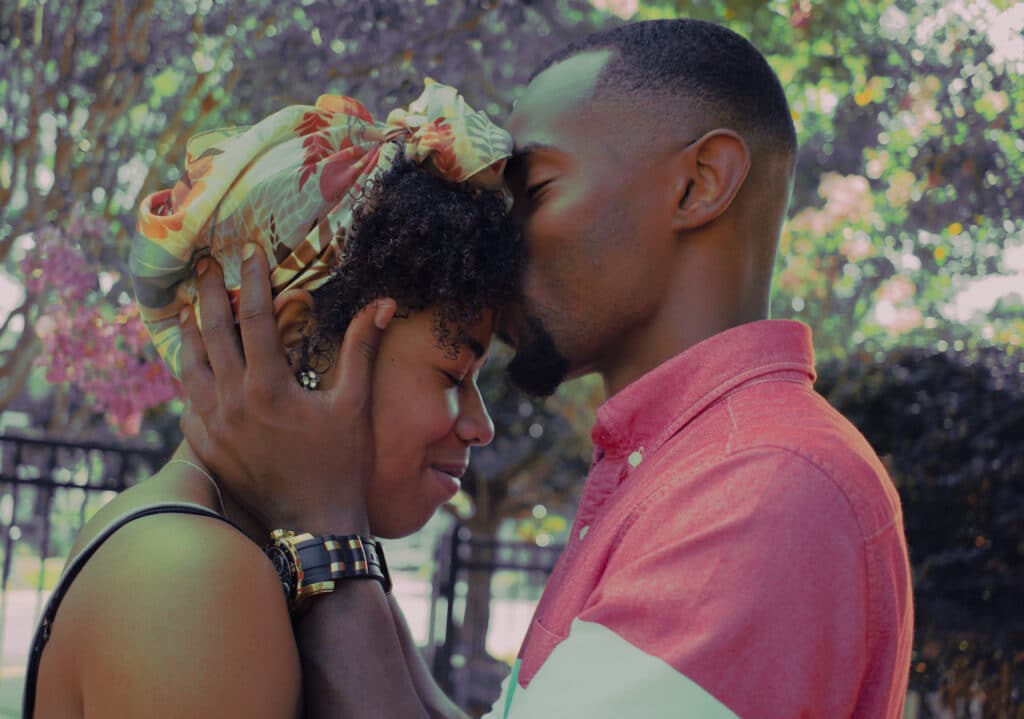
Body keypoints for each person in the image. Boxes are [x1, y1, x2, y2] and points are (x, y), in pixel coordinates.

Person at [178, 19, 915, 719]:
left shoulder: (763, 483)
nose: (502, 246)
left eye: (534, 194)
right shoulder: (684, 464)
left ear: (699, 184)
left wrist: (316, 522)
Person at [23, 82, 521, 718]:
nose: (481, 427)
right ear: (298, 343)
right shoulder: (194, 574)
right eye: (453, 376)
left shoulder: (286, 550)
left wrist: (333, 532)